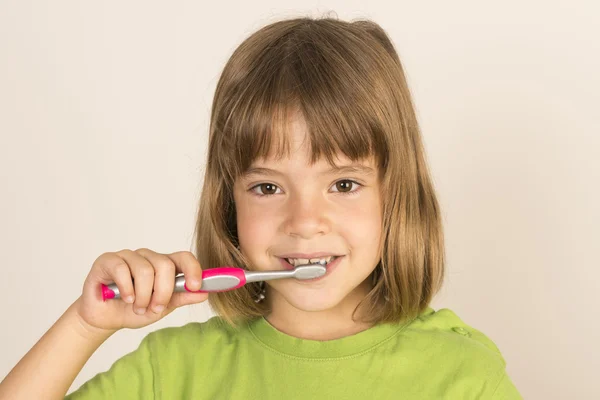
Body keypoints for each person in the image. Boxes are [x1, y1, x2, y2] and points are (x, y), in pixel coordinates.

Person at [0, 15, 522, 399]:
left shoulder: (462, 376)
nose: (304, 222)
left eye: (343, 184)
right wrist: (86, 326)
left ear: (396, 195)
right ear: (229, 204)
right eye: (268, 188)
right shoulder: (174, 371)